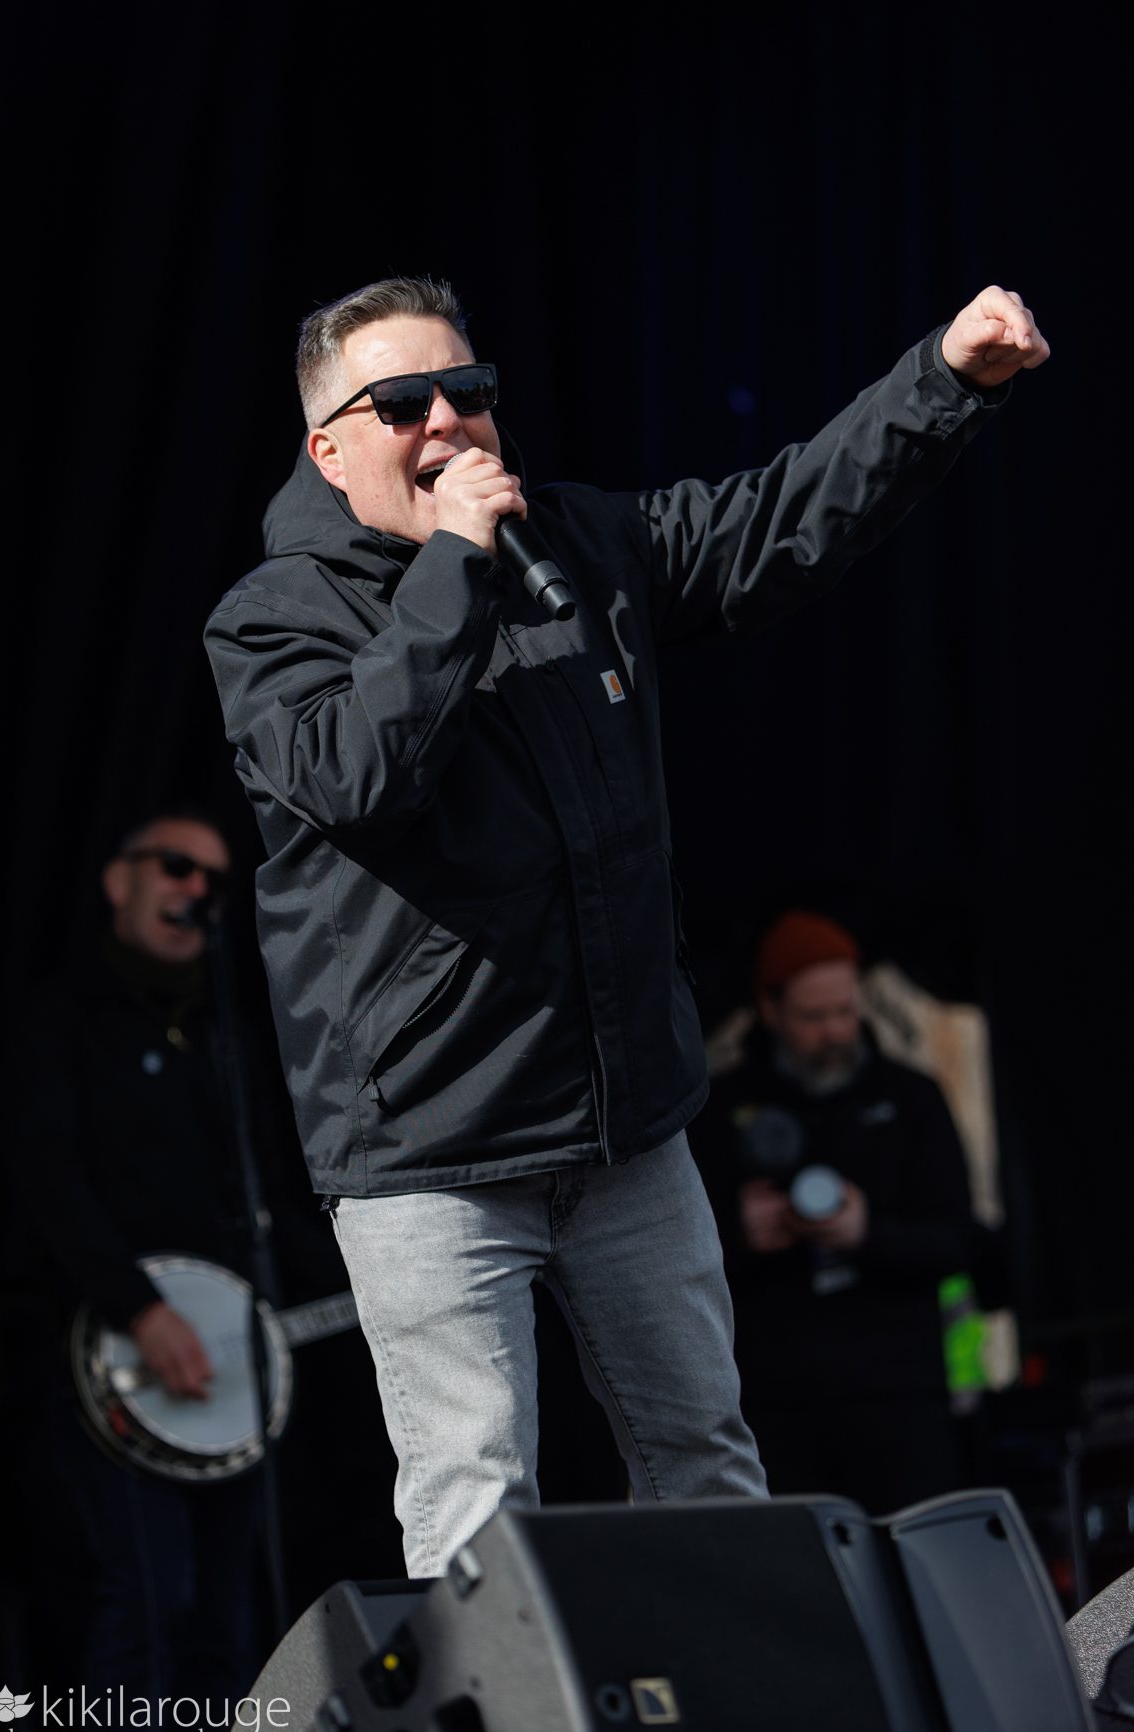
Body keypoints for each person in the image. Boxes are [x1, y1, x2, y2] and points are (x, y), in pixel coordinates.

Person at [203, 275, 1048, 1576]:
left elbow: (781, 519)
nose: (451, 425)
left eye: (470, 394)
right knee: (478, 1503)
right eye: (407, 403)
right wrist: (451, 575)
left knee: (708, 1460)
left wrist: (944, 378)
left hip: (626, 1134)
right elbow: (356, 777)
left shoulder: (578, 548)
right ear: (330, 445)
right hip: (430, 1154)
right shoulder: (273, 620)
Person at [6, 813, 263, 1732]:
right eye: (176, 864)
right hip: (108, 1361)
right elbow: (45, 1178)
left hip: (232, 1369)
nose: (197, 887)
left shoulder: (224, 1035)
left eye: (215, 877)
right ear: (119, 880)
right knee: (150, 1601)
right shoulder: (60, 1016)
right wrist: (137, 1304)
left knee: (224, 1620)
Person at [689, 909, 976, 1513]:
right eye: (814, 1017)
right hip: (778, 1398)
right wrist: (739, 1233)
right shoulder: (721, 1107)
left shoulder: (911, 1098)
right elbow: (669, 1255)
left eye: (845, 1011)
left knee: (915, 1560)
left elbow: (959, 1240)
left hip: (899, 1393)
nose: (835, 1031)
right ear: (770, 1011)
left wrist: (866, 1233)